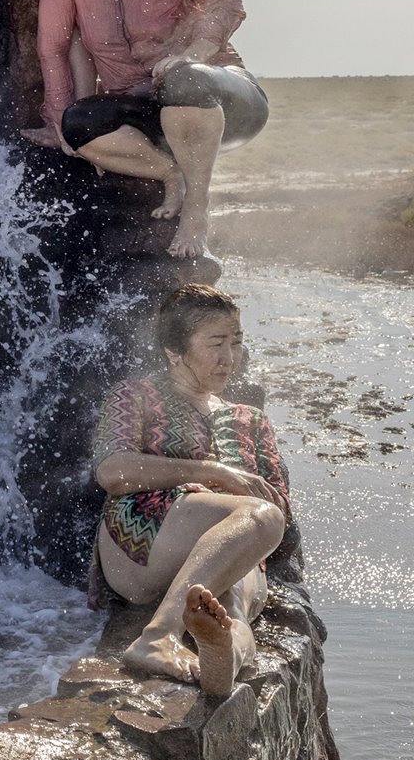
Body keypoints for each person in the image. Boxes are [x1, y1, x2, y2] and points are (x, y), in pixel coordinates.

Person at [31, 0, 268, 258]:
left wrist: (191, 56)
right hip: (145, 108)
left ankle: (196, 207)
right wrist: (57, 119)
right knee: (77, 124)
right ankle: (169, 172)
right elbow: (52, 47)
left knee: (183, 80)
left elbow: (226, 2)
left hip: (221, 94)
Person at [88, 284, 290, 696]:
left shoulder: (250, 419)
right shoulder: (136, 395)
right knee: (261, 518)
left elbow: (279, 498)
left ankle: (223, 657)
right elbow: (113, 472)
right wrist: (212, 473)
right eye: (216, 343)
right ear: (174, 351)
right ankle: (158, 637)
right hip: (143, 543)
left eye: (236, 343)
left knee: (234, 603)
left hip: (228, 547)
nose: (229, 358)